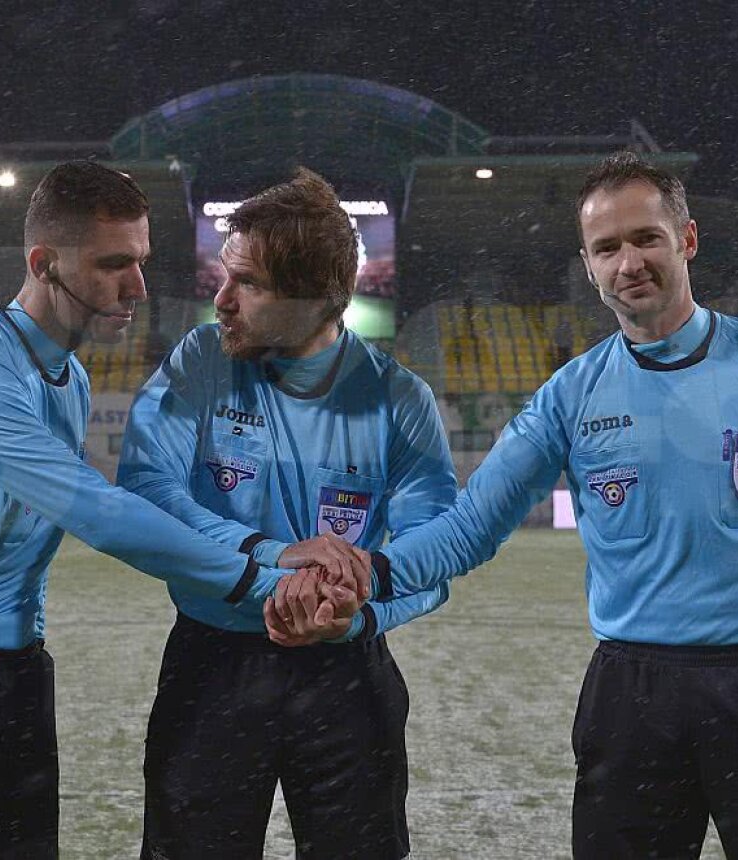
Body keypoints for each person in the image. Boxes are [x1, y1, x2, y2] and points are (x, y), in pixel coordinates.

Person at [280, 152, 738, 858]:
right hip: (631, 697)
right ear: (588, 264)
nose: (629, 262)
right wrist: (366, 570)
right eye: (607, 248)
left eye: (646, 238)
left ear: (687, 240)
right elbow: (470, 529)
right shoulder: (569, 396)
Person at [0, 161, 354, 859]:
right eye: (113, 265)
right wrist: (267, 571)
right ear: (43, 263)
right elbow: (99, 512)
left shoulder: (70, 376)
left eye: (141, 262)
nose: (137, 288)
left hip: (13, 682)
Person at [117, 168, 456, 860]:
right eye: (224, 273)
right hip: (211, 664)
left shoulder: (400, 399)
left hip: (348, 669)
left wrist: (356, 613)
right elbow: (150, 491)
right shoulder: (202, 361)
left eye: (250, 284)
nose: (222, 299)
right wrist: (274, 559)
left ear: (320, 299)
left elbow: (436, 551)